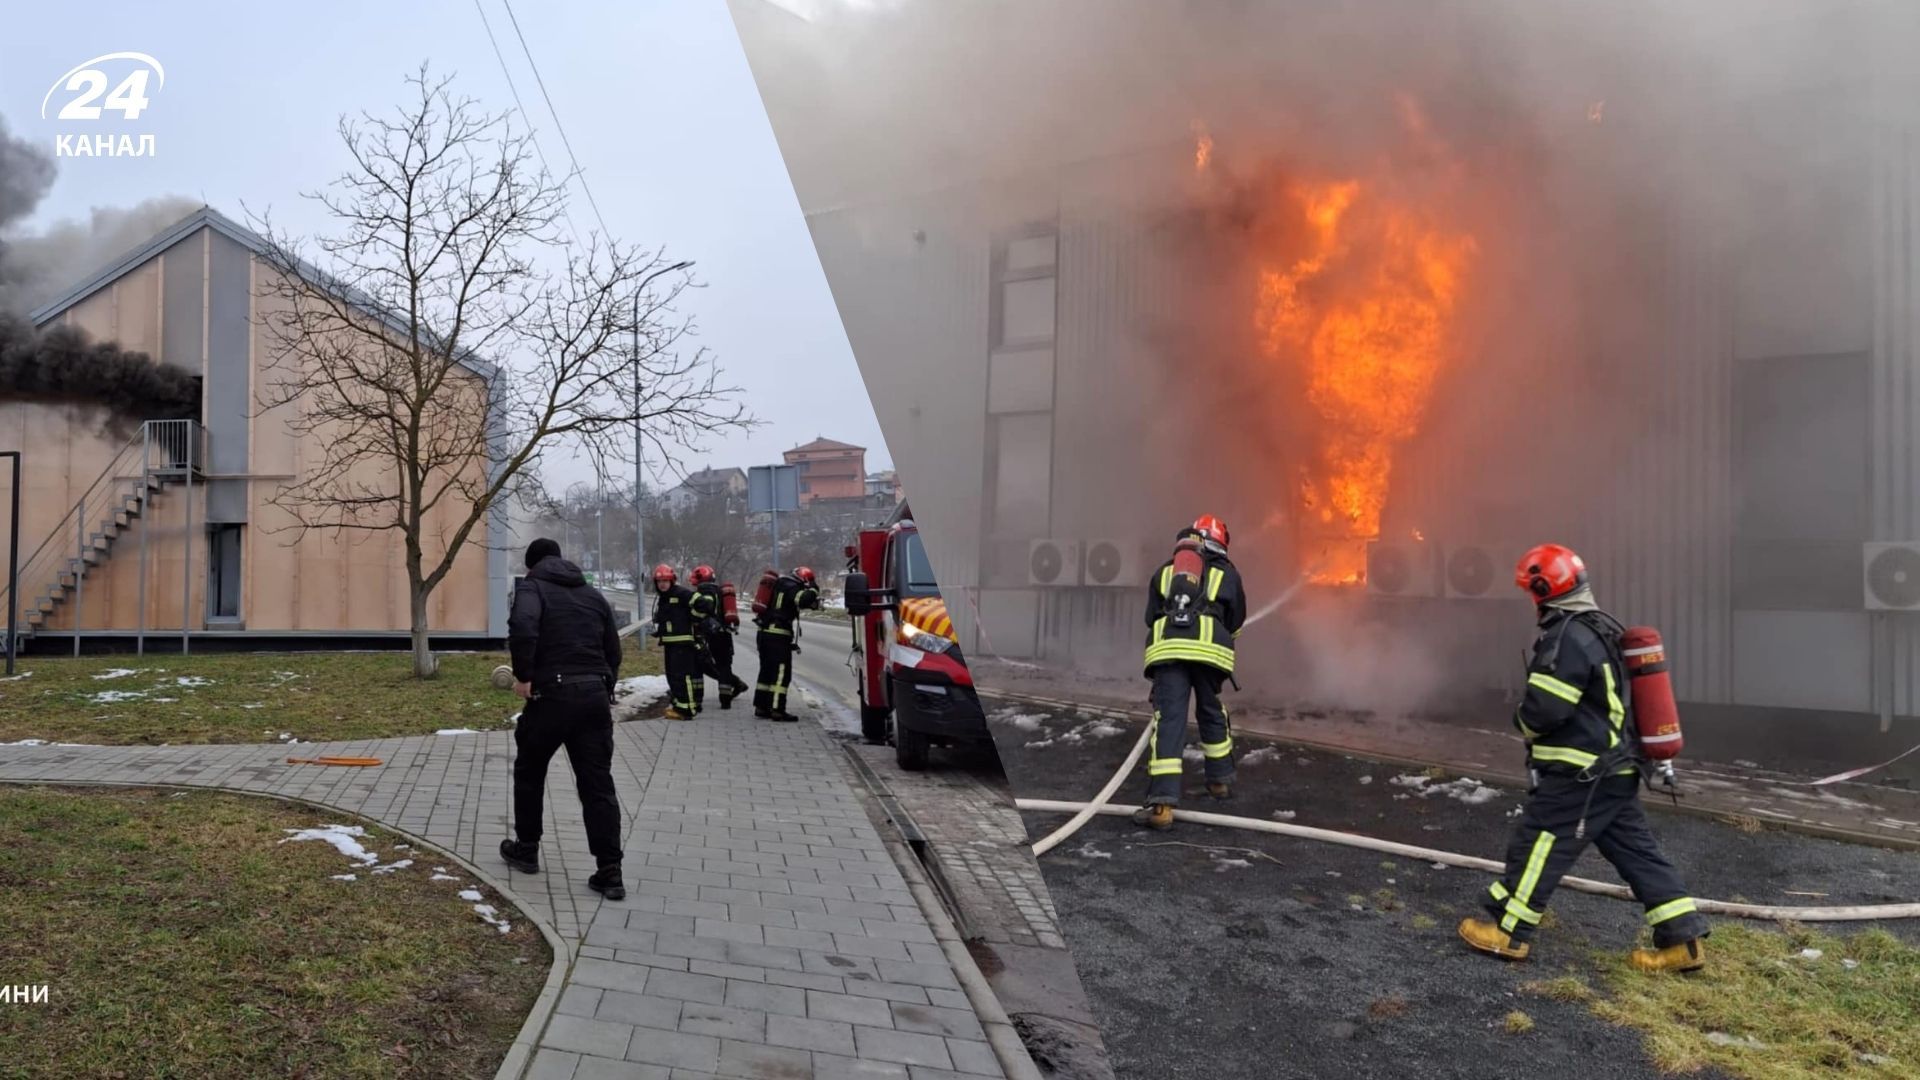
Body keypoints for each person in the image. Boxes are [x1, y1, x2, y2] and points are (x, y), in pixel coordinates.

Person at [1459, 543, 1710, 972]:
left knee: (1541, 841)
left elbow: (1548, 709)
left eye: (1531, 590)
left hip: (1582, 772)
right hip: (1615, 769)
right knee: (1637, 853)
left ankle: (1509, 931)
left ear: (1543, 588)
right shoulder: (1599, 628)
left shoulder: (1568, 636)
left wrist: (1522, 720)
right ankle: (1682, 942)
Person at [499, 537, 626, 901]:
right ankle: (609, 870)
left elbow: (523, 628)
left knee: (529, 771)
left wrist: (524, 677)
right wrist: (605, 686)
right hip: (594, 697)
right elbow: (612, 648)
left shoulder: (533, 587)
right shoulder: (591, 594)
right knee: (597, 784)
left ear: (531, 565)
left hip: (551, 696)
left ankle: (526, 848)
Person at [1132, 514, 1246, 830]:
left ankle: (1162, 807)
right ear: (1221, 543)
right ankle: (1220, 781)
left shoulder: (1167, 572)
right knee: (1211, 711)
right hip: (1211, 653)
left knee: (1169, 720)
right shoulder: (1228, 574)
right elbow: (1235, 620)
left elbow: (1152, 616)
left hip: (1169, 651)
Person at [753, 566, 820, 721]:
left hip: (764, 633)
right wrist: (814, 589)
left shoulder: (779, 584)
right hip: (778, 635)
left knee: (766, 671)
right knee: (781, 673)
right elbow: (802, 599)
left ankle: (761, 707)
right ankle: (777, 709)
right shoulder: (791, 586)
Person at [690, 565, 749, 709]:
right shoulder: (720, 591)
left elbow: (705, 609)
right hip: (724, 634)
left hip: (709, 634)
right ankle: (726, 699)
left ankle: (702, 698)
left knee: (705, 665)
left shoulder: (705, 590)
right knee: (724, 666)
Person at [650, 564, 702, 720]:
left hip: (683, 643)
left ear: (672, 581)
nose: (662, 584)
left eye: (666, 580)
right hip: (670, 643)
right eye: (659, 581)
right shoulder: (664, 598)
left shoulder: (680, 593)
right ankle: (679, 705)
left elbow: (701, 602)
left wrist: (697, 614)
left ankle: (687, 709)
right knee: (672, 676)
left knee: (682, 676)